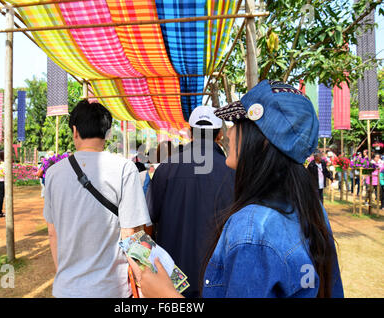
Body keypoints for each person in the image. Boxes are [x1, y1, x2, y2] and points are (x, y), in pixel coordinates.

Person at [128, 80, 343, 298]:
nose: (229, 134)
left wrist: (165, 295)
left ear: (263, 141)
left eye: (237, 124)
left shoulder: (252, 228)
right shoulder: (312, 209)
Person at [43, 99, 151, 298]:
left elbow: (52, 232)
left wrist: (65, 276)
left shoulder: (53, 174)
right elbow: (131, 234)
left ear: (75, 131)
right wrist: (144, 281)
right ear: (107, 133)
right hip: (111, 289)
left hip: (66, 289)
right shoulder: (124, 168)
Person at [146, 106, 236, 298]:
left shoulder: (165, 170)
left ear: (189, 132)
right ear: (220, 135)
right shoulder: (234, 174)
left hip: (170, 284)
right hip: (217, 283)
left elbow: (147, 224)